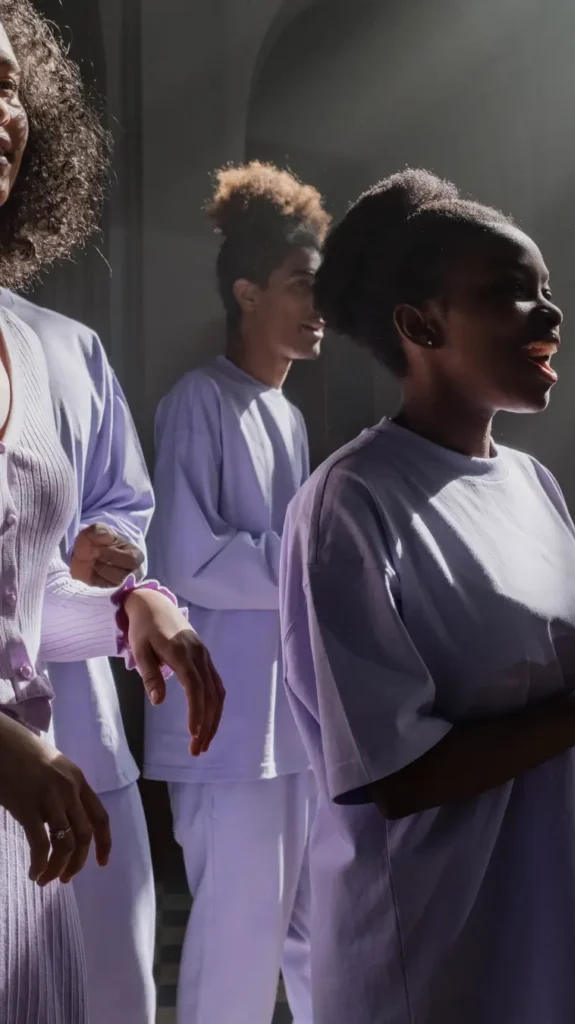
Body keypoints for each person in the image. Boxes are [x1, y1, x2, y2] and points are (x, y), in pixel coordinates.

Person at [277, 168, 575, 1024]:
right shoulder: (351, 500)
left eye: (544, 289)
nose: (548, 312)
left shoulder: (531, 481)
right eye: (510, 293)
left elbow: (544, 675)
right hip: (441, 951)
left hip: (565, 920)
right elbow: (395, 773)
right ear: (419, 323)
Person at [0, 4, 225, 1021]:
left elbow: (25, 603)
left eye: (8, 86)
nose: (1, 110)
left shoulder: (45, 342)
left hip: (30, 800)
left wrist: (132, 603)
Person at [146, 162, 329, 1024]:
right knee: (236, 953)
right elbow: (186, 559)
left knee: (310, 938)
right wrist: (316, 558)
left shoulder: (285, 416)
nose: (317, 301)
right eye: (300, 284)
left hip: (284, 728)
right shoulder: (199, 403)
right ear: (248, 293)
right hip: (221, 733)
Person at [0, 287, 157, 1024]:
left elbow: (116, 511)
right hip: (22, 751)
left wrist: (130, 595)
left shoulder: (49, 343)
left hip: (56, 741)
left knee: (110, 987)